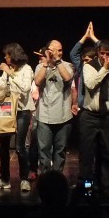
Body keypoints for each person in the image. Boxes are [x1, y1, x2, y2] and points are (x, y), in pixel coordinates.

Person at [77, 38, 109, 191]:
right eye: (102, 53)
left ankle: (108, 186)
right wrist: (105, 68)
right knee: (87, 153)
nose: (105, 57)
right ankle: (87, 186)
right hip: (90, 115)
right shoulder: (89, 67)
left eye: (108, 54)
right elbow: (91, 84)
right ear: (97, 53)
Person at [0, 43, 35, 192]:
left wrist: (10, 73)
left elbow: (25, 88)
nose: (5, 57)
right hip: (7, 110)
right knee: (3, 146)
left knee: (19, 147)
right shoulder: (8, 71)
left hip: (22, 111)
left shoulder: (27, 69)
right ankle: (5, 179)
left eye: (7, 55)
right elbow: (1, 85)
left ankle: (24, 179)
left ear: (14, 55)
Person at [33, 39, 74, 174]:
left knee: (60, 150)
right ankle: (45, 178)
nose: (58, 52)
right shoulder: (41, 67)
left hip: (63, 115)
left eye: (60, 50)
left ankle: (57, 177)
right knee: (44, 150)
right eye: (54, 50)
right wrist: (46, 64)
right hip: (44, 115)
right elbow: (38, 82)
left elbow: (67, 78)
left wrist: (57, 61)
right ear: (48, 51)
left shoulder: (67, 65)